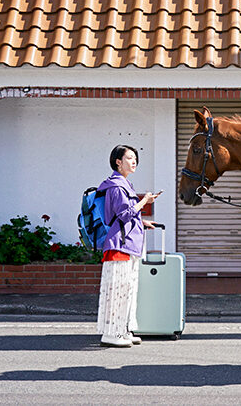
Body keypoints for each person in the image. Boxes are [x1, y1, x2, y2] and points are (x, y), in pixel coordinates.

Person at [96, 144, 160, 347]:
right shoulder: (116, 186)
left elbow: (124, 216)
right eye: (130, 158)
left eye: (135, 158)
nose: (134, 162)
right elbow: (123, 215)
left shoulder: (124, 185)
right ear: (118, 161)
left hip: (127, 245)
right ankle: (111, 334)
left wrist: (142, 222)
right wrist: (144, 202)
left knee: (128, 290)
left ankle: (123, 330)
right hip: (119, 247)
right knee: (117, 291)